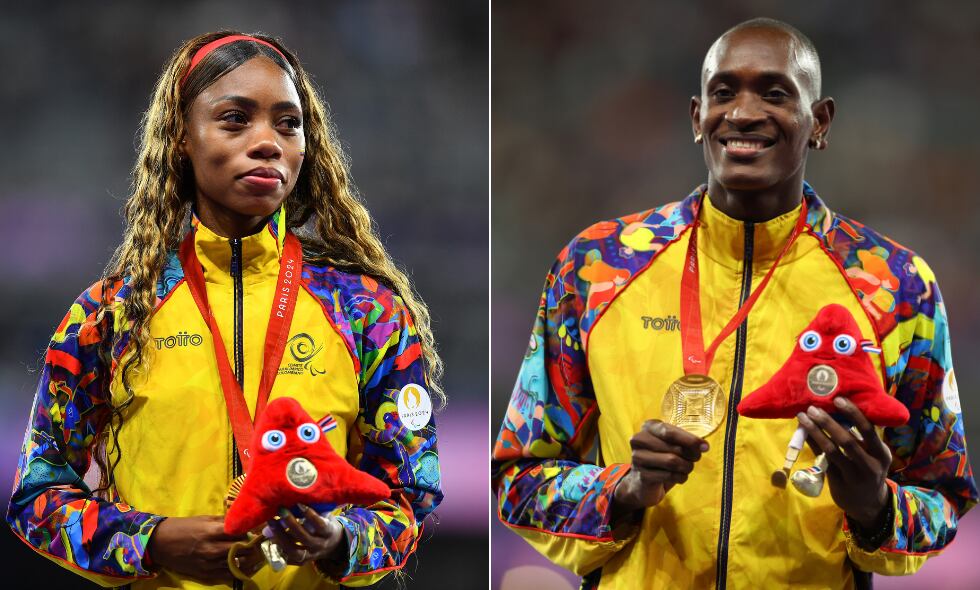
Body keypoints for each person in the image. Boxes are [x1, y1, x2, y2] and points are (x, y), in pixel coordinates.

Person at [492, 17, 976, 589]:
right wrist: (622, 489)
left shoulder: (895, 285)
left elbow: (945, 493)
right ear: (697, 118)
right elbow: (518, 478)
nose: (744, 113)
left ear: (819, 122)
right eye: (724, 93)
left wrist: (875, 507)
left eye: (775, 93)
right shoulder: (598, 267)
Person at [7, 31, 443, 589]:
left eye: (288, 123)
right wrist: (152, 541)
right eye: (236, 119)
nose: (267, 142)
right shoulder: (111, 314)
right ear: (182, 138)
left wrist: (337, 542)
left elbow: (409, 495)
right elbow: (36, 495)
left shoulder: (367, 313)